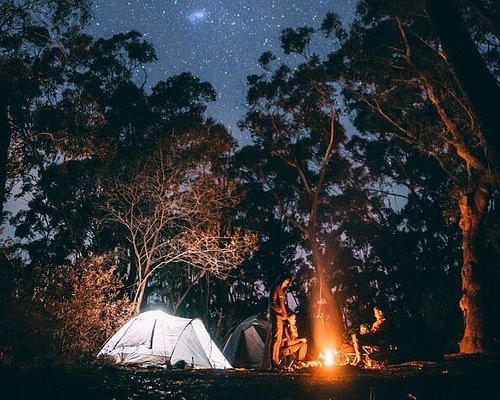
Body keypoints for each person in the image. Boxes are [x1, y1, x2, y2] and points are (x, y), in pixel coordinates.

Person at [269, 274, 291, 369]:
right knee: (276, 339)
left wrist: (285, 314)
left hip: (281, 318)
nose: (287, 283)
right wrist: (281, 312)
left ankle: (276, 361)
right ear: (282, 280)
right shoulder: (275, 288)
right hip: (277, 317)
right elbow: (273, 303)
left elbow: (282, 304)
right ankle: (273, 362)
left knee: (279, 340)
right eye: (286, 281)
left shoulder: (281, 291)